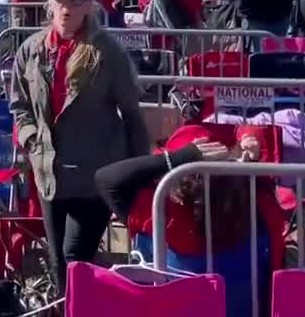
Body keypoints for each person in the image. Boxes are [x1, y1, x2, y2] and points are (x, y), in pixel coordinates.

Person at [9, 0, 150, 291]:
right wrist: (31, 138)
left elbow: (131, 114)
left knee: (76, 256)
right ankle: (67, 309)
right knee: (58, 258)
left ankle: (79, 306)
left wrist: (139, 172)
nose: (66, 7)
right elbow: (19, 106)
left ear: (89, 6)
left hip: (95, 173)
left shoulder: (107, 53)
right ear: (50, 3)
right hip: (49, 172)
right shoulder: (31, 50)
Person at [95, 127, 281, 317]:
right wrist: (246, 147)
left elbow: (106, 179)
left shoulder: (156, 212)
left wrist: (177, 159)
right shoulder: (255, 206)